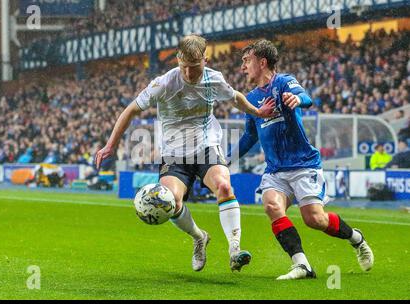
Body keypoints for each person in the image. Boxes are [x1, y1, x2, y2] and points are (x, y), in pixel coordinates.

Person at [95, 34, 277, 272]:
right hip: (174, 154)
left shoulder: (214, 79)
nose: (189, 73)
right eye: (184, 67)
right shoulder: (164, 83)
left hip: (206, 146)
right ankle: (199, 237)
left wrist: (257, 111)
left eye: (195, 67)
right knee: (170, 202)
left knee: (224, 186)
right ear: (178, 60)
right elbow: (130, 110)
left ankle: (234, 250)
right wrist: (110, 145)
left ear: (205, 59)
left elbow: (235, 99)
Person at [229, 39, 374, 280]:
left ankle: (356, 238)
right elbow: (249, 136)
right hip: (276, 170)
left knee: (315, 220)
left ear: (262, 62)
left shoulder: (284, 82)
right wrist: (225, 159)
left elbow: (304, 97)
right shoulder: (250, 99)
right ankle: (302, 265)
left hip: (303, 164)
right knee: (272, 206)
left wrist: (298, 100)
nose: (243, 67)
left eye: (246, 61)